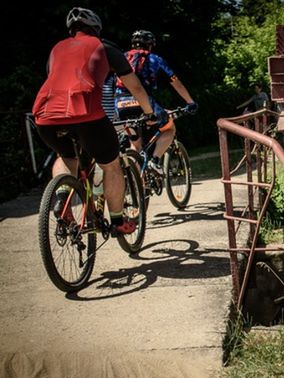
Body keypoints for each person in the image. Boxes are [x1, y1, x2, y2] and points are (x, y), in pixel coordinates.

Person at [32, 7, 159, 235]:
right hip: (85, 113)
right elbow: (135, 86)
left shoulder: (56, 49)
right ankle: (118, 222)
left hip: (45, 115)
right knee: (111, 165)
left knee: (66, 156)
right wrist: (150, 112)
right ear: (96, 28)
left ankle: (62, 199)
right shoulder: (106, 47)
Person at [115, 29, 197, 175]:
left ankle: (138, 185)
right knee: (169, 127)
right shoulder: (154, 59)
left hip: (120, 104)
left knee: (135, 145)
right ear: (151, 45)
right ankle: (155, 161)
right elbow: (175, 82)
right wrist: (190, 102)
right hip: (143, 102)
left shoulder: (122, 57)